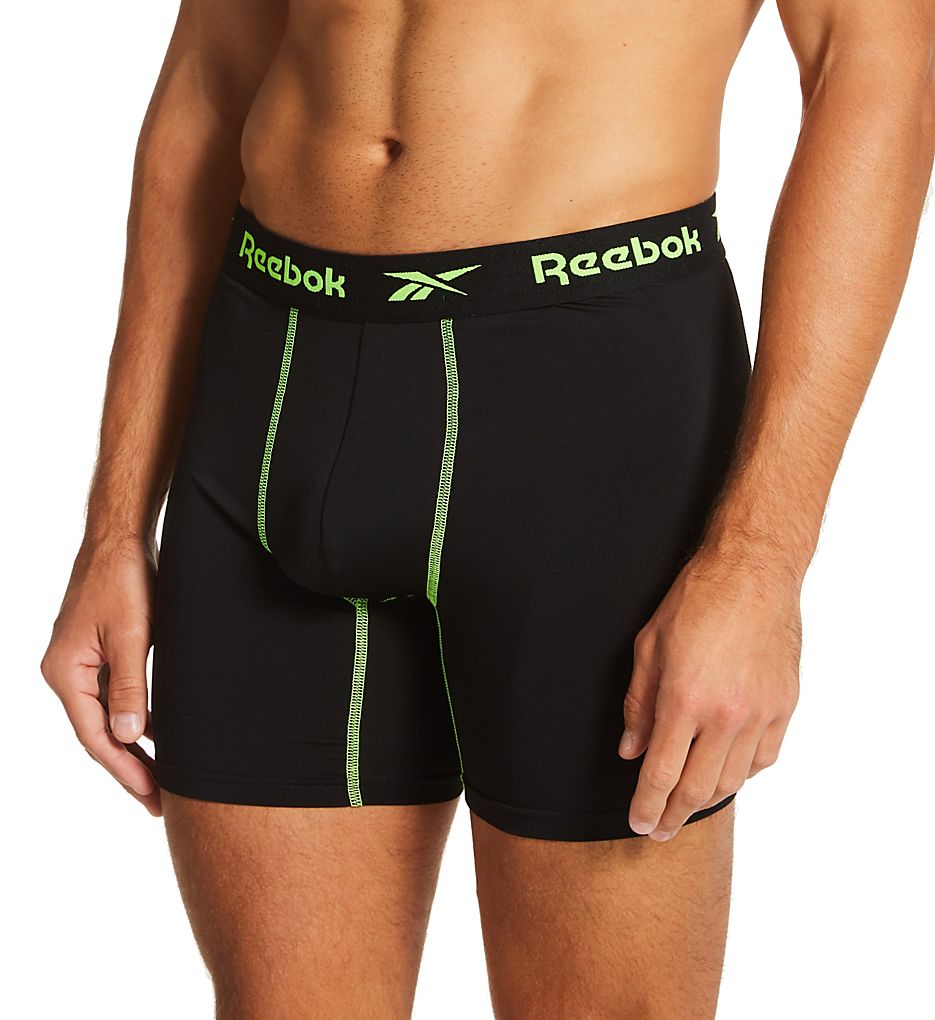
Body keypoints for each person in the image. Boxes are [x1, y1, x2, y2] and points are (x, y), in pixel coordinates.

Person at [39, 0, 935, 1016]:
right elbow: (212, 72)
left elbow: (872, 67)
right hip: (272, 390)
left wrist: (760, 559)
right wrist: (114, 527)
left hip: (584, 410)